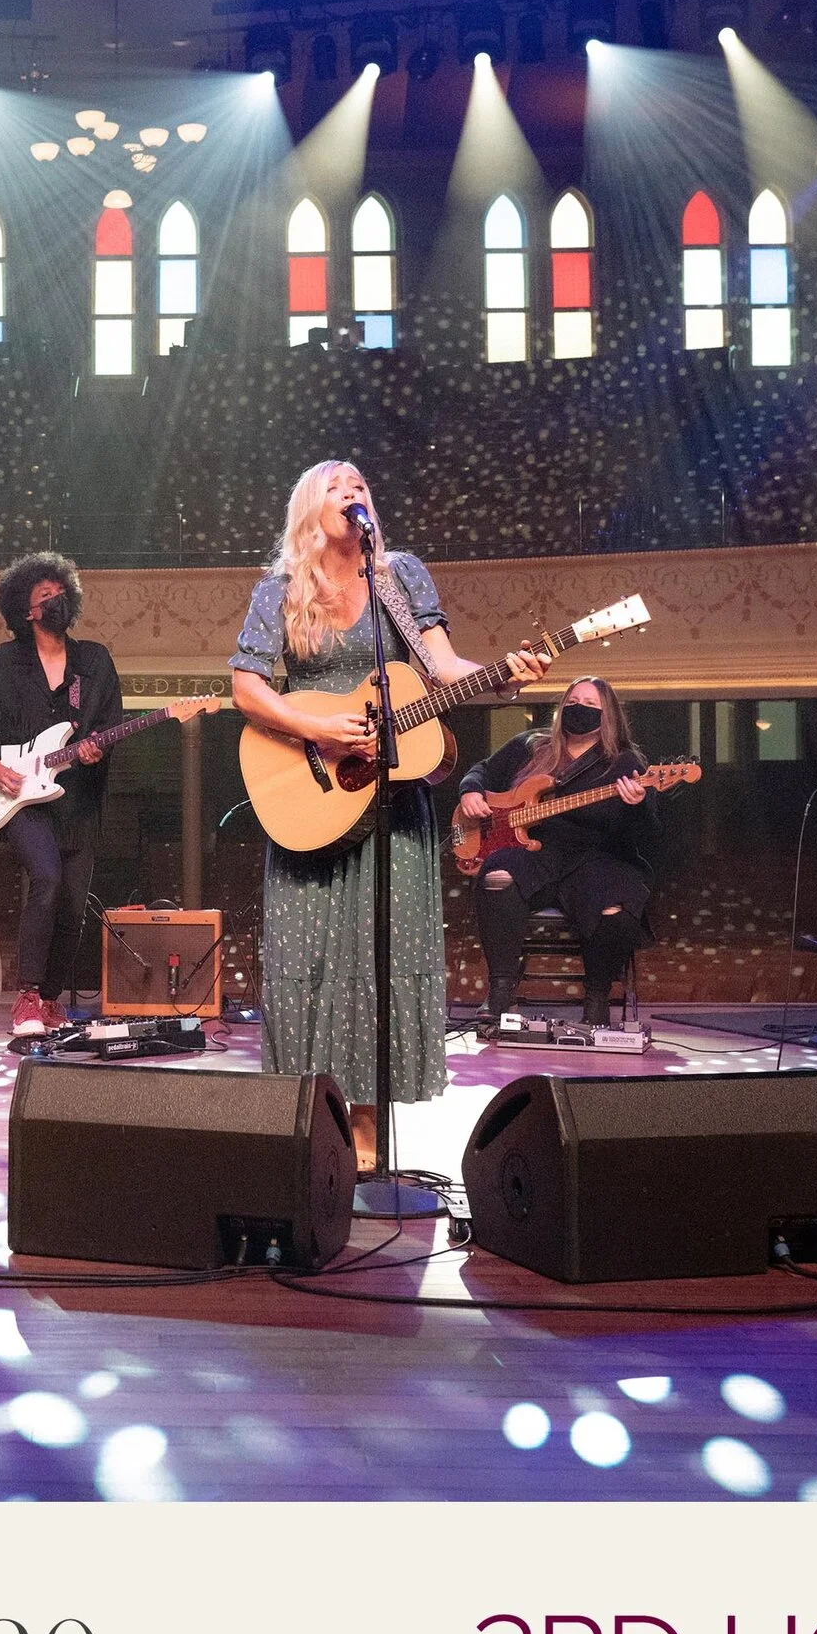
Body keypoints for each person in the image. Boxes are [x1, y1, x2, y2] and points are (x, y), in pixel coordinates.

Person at [230, 461, 542, 1165]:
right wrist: (318, 729)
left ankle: (367, 1133)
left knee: (381, 959)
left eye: (361, 484)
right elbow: (247, 688)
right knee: (307, 957)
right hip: (313, 796)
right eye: (336, 486)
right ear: (310, 508)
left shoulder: (400, 577)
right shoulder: (279, 589)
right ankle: (309, 1122)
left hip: (393, 804)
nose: (353, 491)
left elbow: (443, 668)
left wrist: (502, 675)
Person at [0, 552, 121, 1037]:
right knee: (46, 878)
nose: (56, 601)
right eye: (45, 596)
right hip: (23, 799)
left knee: (74, 904)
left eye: (61, 593)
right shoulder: (2, 663)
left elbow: (108, 725)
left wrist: (97, 749)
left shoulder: (94, 661)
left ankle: (49, 999)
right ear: (26, 611)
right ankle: (26, 995)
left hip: (78, 799)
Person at [455, 675, 657, 1028]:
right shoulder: (532, 745)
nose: (580, 709)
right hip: (537, 852)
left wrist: (637, 805)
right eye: (573, 702)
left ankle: (597, 997)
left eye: (591, 705)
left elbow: (649, 833)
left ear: (608, 715)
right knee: (497, 875)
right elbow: (482, 770)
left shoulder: (626, 764)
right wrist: (470, 790)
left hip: (597, 857)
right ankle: (500, 989)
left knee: (618, 905)